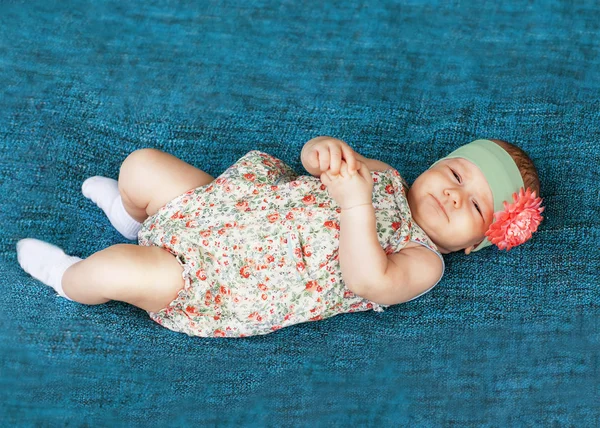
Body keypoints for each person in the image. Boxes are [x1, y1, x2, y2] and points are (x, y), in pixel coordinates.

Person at [16, 137, 544, 338]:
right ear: (435, 164)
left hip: (221, 280)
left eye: (475, 204)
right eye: (455, 174)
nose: (454, 194)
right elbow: (315, 163)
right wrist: (324, 154)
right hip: (224, 207)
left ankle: (67, 277)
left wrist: (355, 203)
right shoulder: (383, 174)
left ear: (478, 242)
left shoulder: (423, 262)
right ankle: (134, 220)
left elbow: (367, 278)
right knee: (140, 167)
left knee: (116, 269)